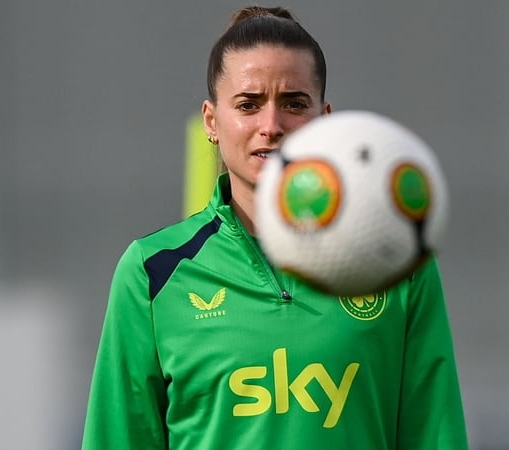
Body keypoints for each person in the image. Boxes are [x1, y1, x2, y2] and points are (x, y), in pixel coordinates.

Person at [81, 5, 468, 449]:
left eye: (294, 104)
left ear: (324, 118)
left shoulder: (396, 255)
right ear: (212, 121)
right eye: (248, 104)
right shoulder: (152, 270)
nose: (271, 126)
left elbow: (436, 435)